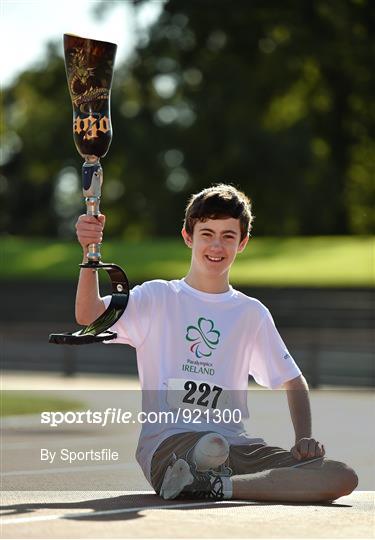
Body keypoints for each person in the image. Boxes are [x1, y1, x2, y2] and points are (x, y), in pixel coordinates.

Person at [75, 183, 358, 502]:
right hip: (172, 445)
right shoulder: (157, 297)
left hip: (239, 448)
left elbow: (292, 380)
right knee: (210, 447)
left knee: (340, 475)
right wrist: (89, 252)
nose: (216, 245)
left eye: (228, 236)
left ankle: (220, 486)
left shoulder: (251, 313)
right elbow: (89, 316)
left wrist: (304, 437)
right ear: (188, 236)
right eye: (207, 233)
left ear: (243, 243)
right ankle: (195, 472)